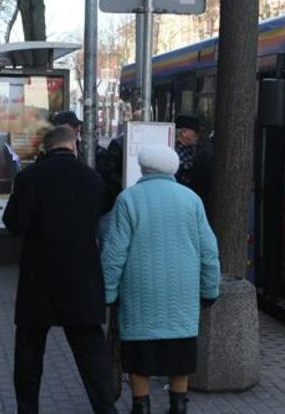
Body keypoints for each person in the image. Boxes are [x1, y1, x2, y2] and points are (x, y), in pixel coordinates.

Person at [2, 126, 117, 414]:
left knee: (29, 354)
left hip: (38, 280)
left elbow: (15, 223)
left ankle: (27, 410)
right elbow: (102, 213)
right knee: (91, 352)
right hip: (82, 279)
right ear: (73, 145)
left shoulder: (30, 178)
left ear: (46, 147)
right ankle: (105, 408)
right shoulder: (92, 179)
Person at [101, 145, 220, 414]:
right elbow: (208, 250)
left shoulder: (128, 199)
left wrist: (107, 294)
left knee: (139, 353)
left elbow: (114, 252)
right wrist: (209, 289)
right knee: (180, 351)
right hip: (182, 293)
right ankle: (179, 404)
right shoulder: (192, 200)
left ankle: (141, 405)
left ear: (144, 168)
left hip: (140, 293)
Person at [174, 114, 213, 203]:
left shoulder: (196, 149)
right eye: (196, 132)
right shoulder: (175, 151)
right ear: (184, 132)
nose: (198, 135)